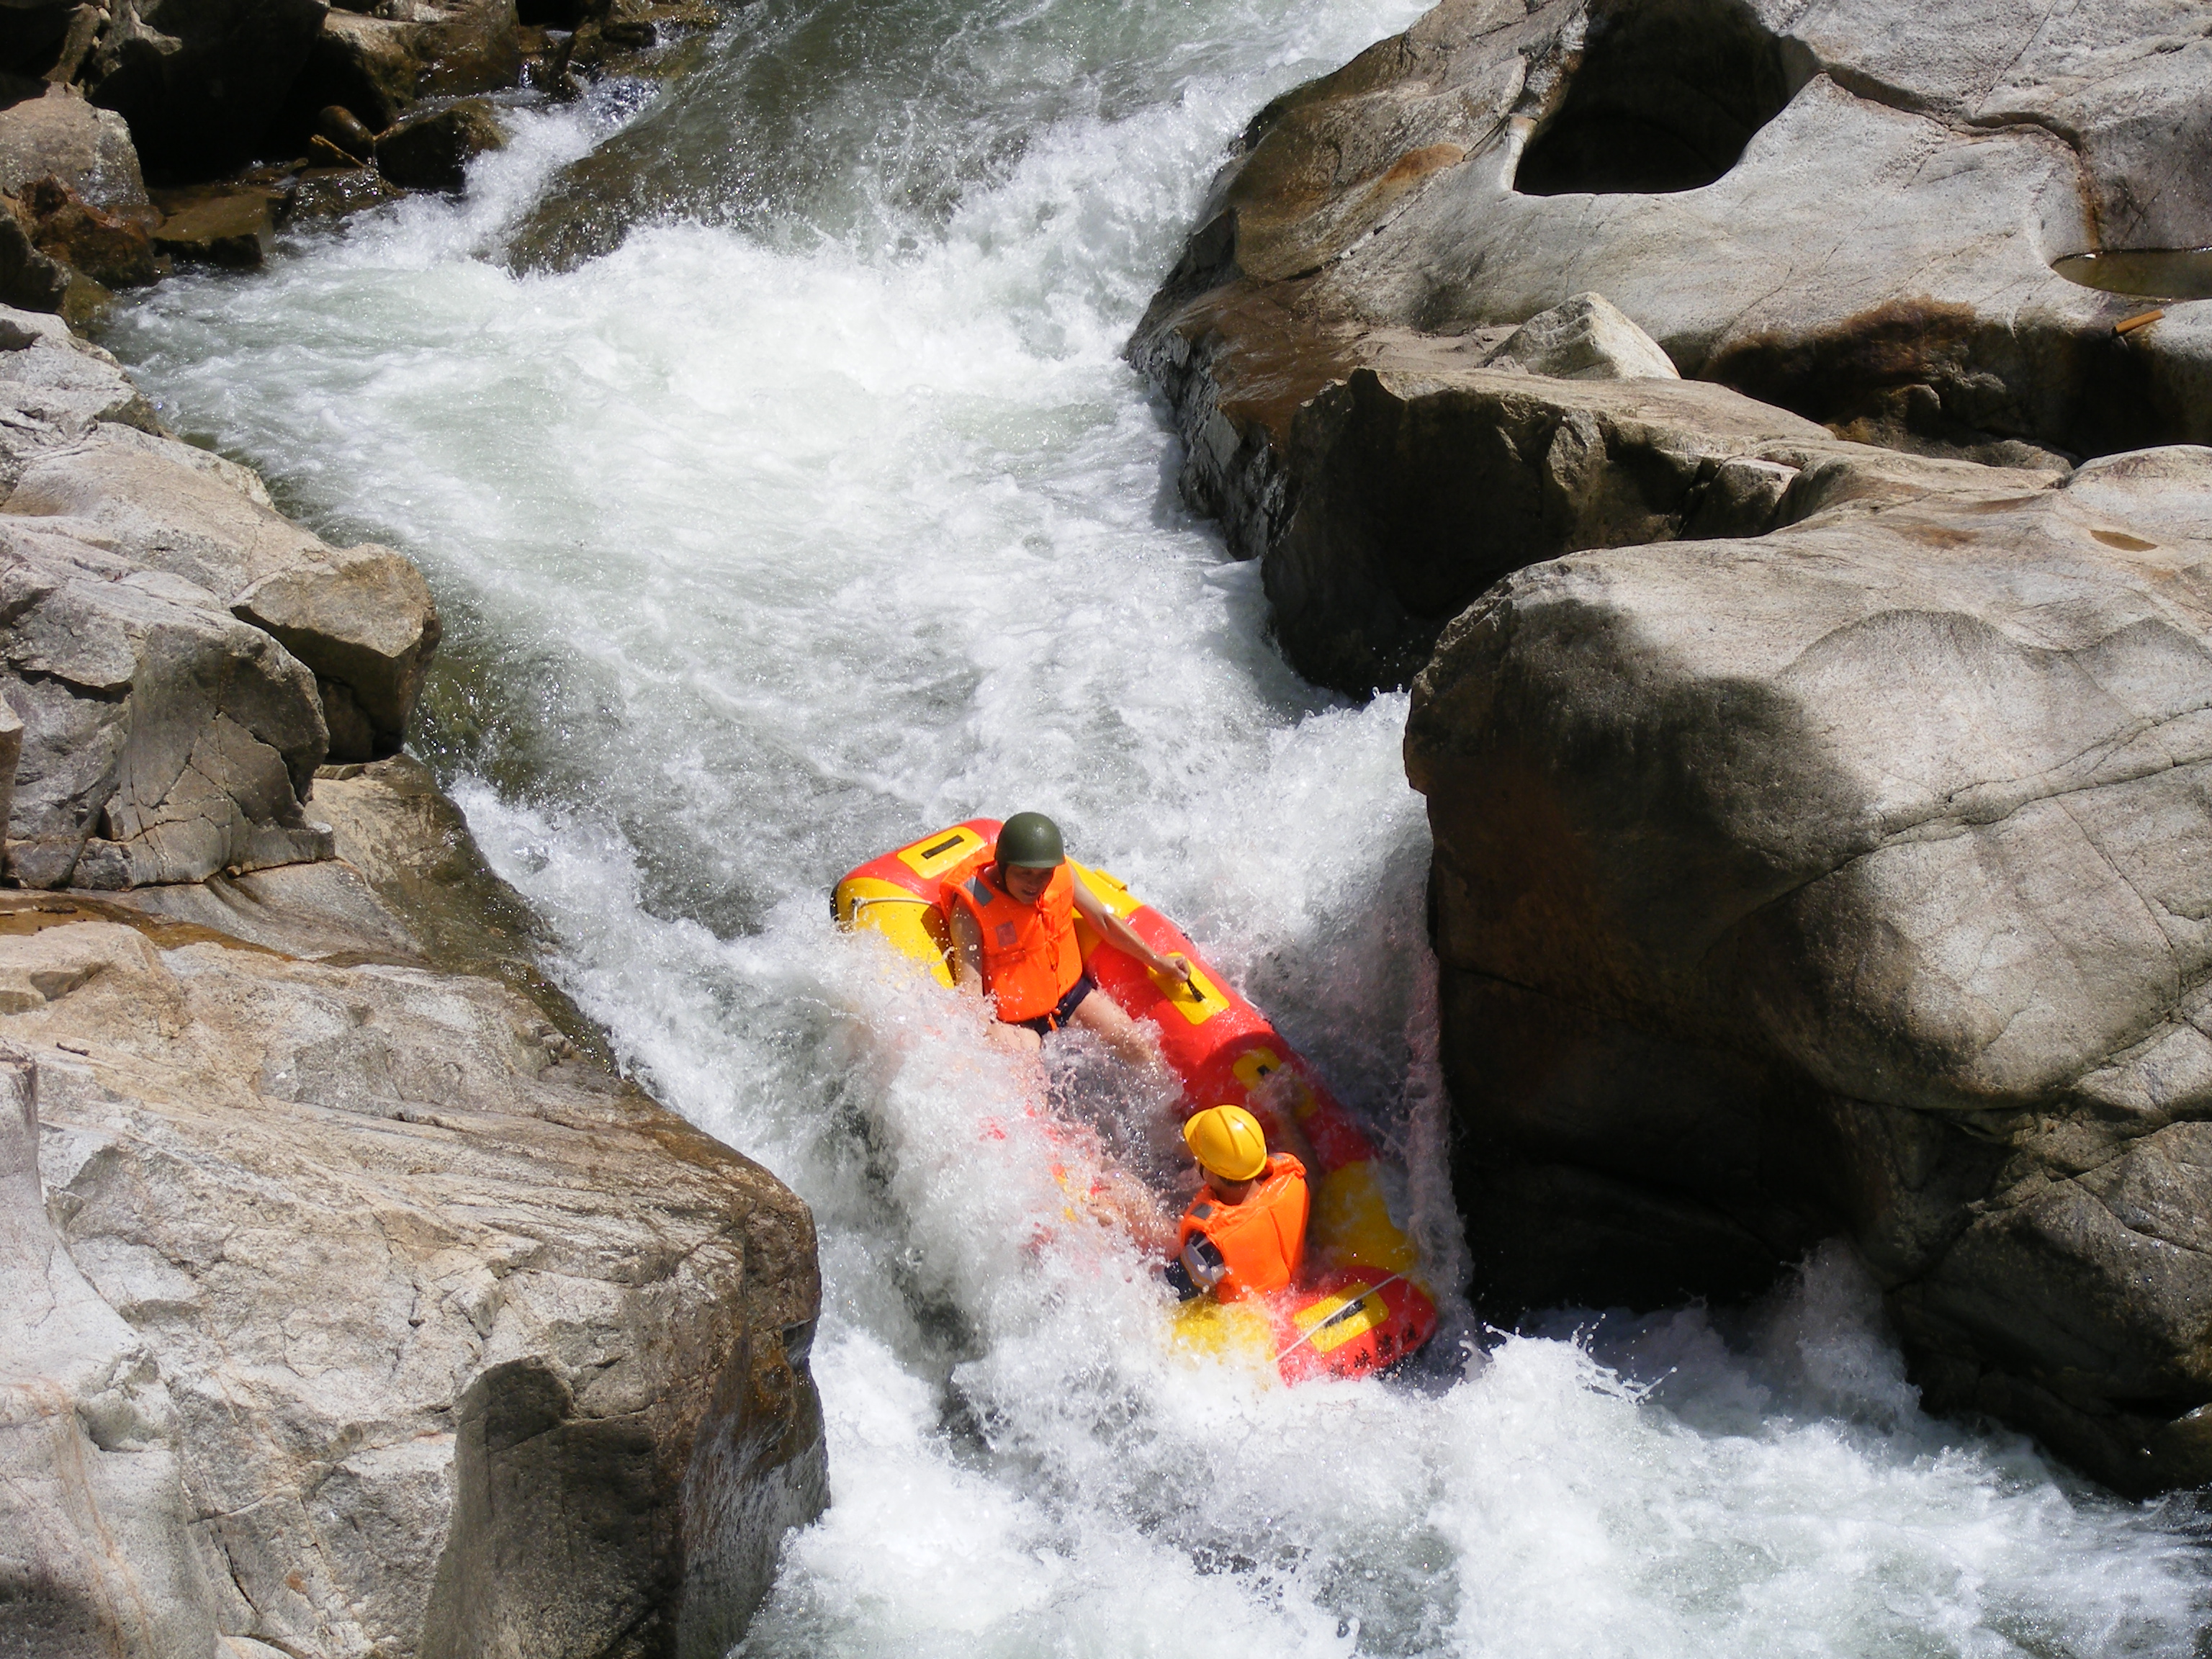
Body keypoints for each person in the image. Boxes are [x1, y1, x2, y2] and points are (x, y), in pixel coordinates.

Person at [943, 810, 1191, 1064]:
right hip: (1017, 1024)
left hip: (1071, 996)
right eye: (1024, 874)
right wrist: (975, 1044)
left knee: (1136, 1045)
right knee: (1031, 1085)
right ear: (1003, 866)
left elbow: (1103, 921)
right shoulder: (971, 908)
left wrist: (1157, 960)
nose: (1035, 885)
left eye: (1043, 875)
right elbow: (970, 990)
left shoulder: (1061, 872)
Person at [1168, 1104, 1309, 1302]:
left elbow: (1163, 1290)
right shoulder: (1292, 1177)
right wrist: (1283, 1112)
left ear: (1209, 1172)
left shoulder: (1212, 1245)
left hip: (1254, 1315)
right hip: (1291, 1284)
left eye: (1198, 1157)